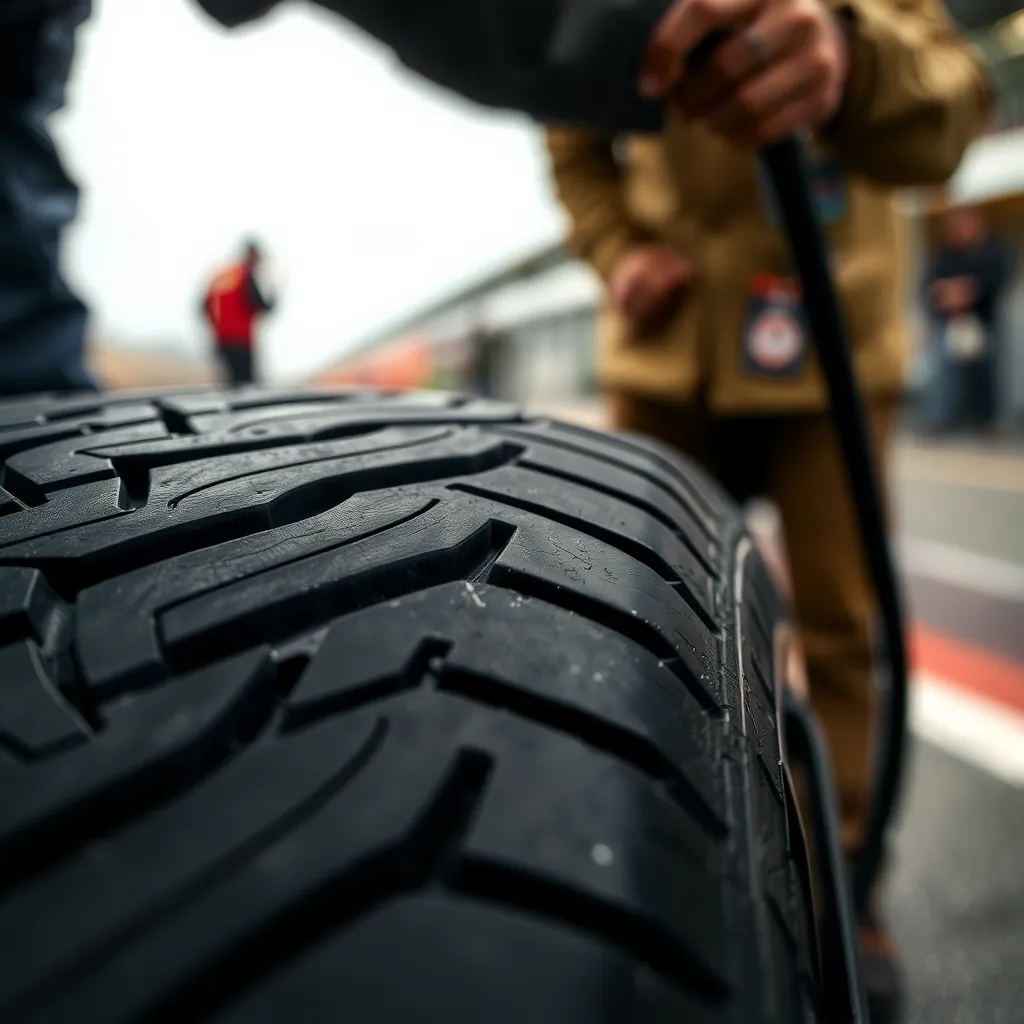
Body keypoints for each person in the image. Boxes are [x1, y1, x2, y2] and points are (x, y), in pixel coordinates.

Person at [544, 2, 990, 1020]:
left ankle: (843, 886)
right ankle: (644, 863)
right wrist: (618, 251)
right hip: (666, 351)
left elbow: (952, 104)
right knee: (629, 627)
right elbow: (570, 133)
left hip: (830, 333)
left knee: (840, 628)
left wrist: (855, 57)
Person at [924, 206, 1011, 435]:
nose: (957, 232)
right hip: (952, 321)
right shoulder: (947, 254)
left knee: (990, 373)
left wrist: (968, 290)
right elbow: (932, 285)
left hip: (986, 320)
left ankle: (991, 421)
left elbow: (998, 278)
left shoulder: (993, 249)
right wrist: (948, 294)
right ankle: (942, 420)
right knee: (946, 372)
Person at [201, 240, 276, 387]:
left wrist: (216, 328)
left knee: (229, 386)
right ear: (252, 256)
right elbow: (260, 305)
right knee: (247, 387)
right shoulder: (245, 275)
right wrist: (275, 294)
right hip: (242, 341)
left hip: (221, 341)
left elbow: (203, 306)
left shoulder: (222, 274)